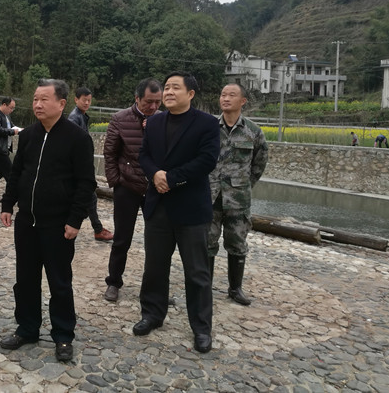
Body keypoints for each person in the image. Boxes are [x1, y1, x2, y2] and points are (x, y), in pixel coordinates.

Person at [0, 79, 96, 362]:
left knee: (59, 282)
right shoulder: (28, 135)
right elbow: (17, 172)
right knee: (25, 280)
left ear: (61, 103)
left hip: (58, 224)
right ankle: (27, 328)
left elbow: (86, 183)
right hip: (26, 221)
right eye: (35, 99)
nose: (37, 104)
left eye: (44, 99)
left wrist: (75, 220)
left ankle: (63, 334)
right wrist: (8, 203)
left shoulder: (77, 138)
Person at [136, 71, 219, 354]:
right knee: (154, 266)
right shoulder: (155, 121)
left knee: (197, 271)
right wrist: (154, 174)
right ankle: (152, 314)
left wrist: (171, 178)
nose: (168, 92)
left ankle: (201, 328)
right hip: (158, 206)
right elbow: (144, 155)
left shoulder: (207, 123)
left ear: (190, 94)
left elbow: (206, 161)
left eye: (175, 88)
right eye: (167, 87)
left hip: (191, 208)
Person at [208, 84, 268, 306]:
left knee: (237, 243)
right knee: (206, 242)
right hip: (210, 196)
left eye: (231, 95)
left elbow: (259, 163)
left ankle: (235, 289)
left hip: (238, 199)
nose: (225, 98)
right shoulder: (209, 128)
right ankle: (204, 287)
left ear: (243, 101)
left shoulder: (253, 131)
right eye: (223, 94)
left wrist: (244, 185)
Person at [103, 78, 162, 302]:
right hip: (127, 186)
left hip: (155, 189)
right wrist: (116, 181)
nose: (153, 107)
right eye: (149, 102)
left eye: (158, 102)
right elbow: (110, 153)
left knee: (158, 240)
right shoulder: (120, 119)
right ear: (137, 98)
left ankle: (155, 287)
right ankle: (114, 282)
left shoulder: (163, 120)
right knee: (122, 238)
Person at [68, 87, 113, 242]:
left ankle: (96, 228)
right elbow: (74, 144)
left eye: (89, 100)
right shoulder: (74, 118)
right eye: (84, 100)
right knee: (89, 196)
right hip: (78, 166)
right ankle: (97, 229)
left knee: (88, 197)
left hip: (81, 164)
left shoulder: (81, 116)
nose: (87, 103)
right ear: (76, 100)